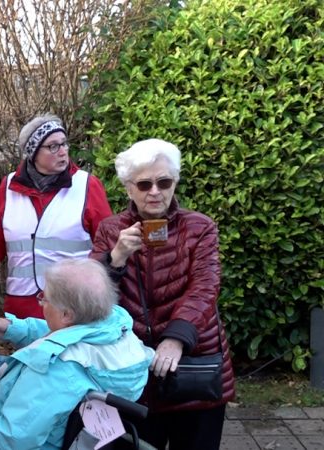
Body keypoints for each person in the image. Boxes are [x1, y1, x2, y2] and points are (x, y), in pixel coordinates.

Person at [89, 138, 235, 450]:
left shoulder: (200, 227)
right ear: (129, 188)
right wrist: (116, 257)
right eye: (144, 184)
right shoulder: (110, 230)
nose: (155, 192)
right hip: (133, 376)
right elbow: (91, 297)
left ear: (175, 183)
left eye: (163, 181)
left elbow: (205, 286)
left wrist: (177, 337)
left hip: (193, 370)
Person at [0, 258, 153, 450]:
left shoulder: (55, 372)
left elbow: (13, 438)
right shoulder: (115, 329)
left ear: (67, 314)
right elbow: (75, 337)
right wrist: (12, 328)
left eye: (45, 298)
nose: (41, 302)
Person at [0, 115, 112, 319]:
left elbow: (106, 244)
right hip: (22, 308)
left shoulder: (87, 185)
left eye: (64, 144)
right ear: (33, 153)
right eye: (52, 146)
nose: (62, 152)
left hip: (73, 306)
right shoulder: (8, 188)